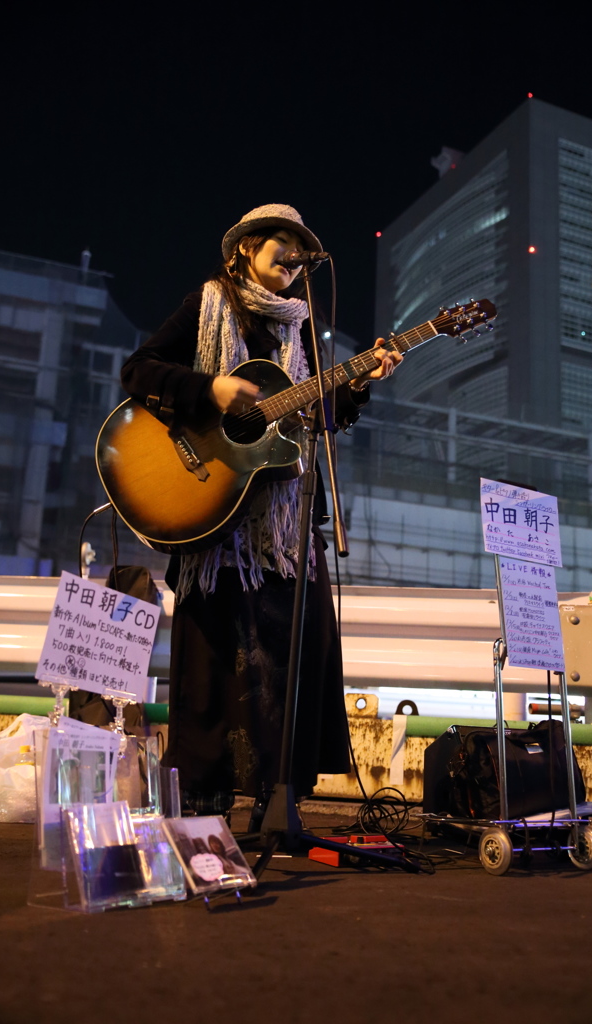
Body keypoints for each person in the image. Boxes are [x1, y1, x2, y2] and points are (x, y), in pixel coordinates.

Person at [121, 204, 402, 823]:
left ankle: (276, 802)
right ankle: (204, 804)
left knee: (293, 656)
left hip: (284, 528)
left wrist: (358, 384)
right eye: (284, 243)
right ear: (247, 247)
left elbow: (310, 424)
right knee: (214, 663)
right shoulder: (208, 304)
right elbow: (137, 370)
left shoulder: (300, 330)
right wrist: (212, 390)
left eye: (304, 249)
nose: (296, 256)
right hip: (214, 516)